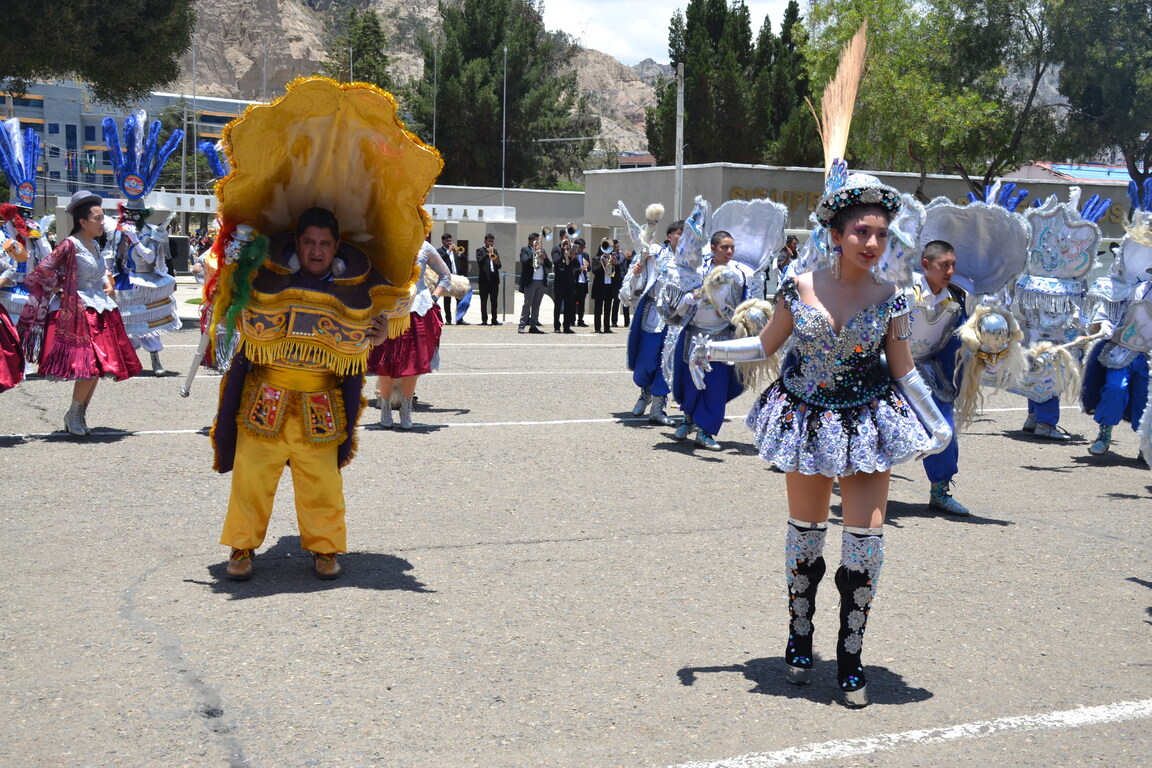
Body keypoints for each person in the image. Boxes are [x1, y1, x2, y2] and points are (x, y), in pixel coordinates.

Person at [692, 170, 950, 708]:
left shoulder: (894, 298)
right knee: (806, 541)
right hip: (806, 422)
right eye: (861, 232)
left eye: (881, 234)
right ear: (836, 234)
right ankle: (800, 636)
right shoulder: (798, 285)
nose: (872, 243)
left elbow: (903, 370)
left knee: (865, 545)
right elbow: (765, 346)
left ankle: (850, 654)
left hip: (867, 424)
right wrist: (710, 349)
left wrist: (937, 421)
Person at [216, 208, 388, 581]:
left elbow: (366, 347)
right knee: (250, 478)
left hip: (319, 405)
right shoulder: (262, 279)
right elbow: (235, 328)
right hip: (265, 399)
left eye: (324, 243)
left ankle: (325, 548)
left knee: (323, 484)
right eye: (309, 242)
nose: (316, 250)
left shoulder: (358, 291)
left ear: (337, 247)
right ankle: (241, 546)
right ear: (296, 243)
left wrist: (379, 335)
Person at [17, 191, 143, 434]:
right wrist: (62, 293)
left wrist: (106, 284)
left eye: (102, 217)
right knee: (90, 366)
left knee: (99, 366)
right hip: (80, 313)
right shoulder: (69, 245)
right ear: (83, 221)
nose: (102, 222)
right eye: (97, 218)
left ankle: (78, 414)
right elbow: (41, 273)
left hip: (101, 309)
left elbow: (100, 271)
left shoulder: (94, 244)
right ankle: (74, 414)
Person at [909, 241, 970, 516]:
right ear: (926, 265)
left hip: (928, 368)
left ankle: (940, 492)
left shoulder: (956, 297)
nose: (950, 271)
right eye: (944, 265)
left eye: (953, 265)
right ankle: (862, 489)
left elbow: (960, 337)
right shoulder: (904, 289)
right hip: (888, 366)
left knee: (944, 427)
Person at [369, 240, 451, 429]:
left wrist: (433, 298)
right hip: (389, 310)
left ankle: (406, 409)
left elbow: (445, 275)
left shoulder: (424, 247)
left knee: (412, 362)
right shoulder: (386, 241)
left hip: (418, 310)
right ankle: (385, 407)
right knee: (385, 360)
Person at [621, 220, 683, 426]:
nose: (683, 238)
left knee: (667, 363)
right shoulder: (655, 255)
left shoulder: (691, 261)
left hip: (676, 317)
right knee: (646, 361)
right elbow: (637, 285)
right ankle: (645, 392)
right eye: (680, 234)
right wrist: (637, 273)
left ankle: (657, 409)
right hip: (653, 314)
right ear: (669, 236)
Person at [518, 232, 549, 334]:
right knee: (527, 304)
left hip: (541, 281)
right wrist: (534, 253)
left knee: (536, 305)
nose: (537, 242)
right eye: (536, 240)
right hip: (530, 281)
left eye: (538, 240)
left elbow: (549, 265)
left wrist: (544, 257)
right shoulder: (525, 250)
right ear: (530, 241)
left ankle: (533, 326)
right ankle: (522, 325)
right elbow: (524, 261)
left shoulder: (542, 251)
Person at [589, 240, 619, 333]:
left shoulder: (611, 258)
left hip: (609, 286)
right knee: (598, 308)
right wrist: (602, 264)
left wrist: (615, 264)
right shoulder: (596, 258)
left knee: (608, 308)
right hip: (599, 286)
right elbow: (594, 271)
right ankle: (597, 328)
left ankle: (607, 327)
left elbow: (617, 271)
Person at [438, 233, 467, 324]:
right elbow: (440, 260)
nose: (450, 243)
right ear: (443, 241)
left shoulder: (455, 251)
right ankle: (448, 320)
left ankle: (459, 319)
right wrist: (448, 251)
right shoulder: (439, 251)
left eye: (450, 240)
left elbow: (465, 259)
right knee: (447, 300)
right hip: (447, 278)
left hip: (457, 277)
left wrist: (459, 253)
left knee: (460, 299)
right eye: (447, 241)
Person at [552, 233, 577, 333]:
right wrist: (563, 252)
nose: (567, 239)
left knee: (568, 305)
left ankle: (567, 326)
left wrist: (573, 257)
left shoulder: (572, 249)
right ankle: (556, 326)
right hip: (560, 281)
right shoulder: (556, 249)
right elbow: (556, 261)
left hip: (570, 281)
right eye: (565, 237)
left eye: (568, 237)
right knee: (558, 305)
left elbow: (577, 265)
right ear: (560, 238)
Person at [475, 233, 502, 325]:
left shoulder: (495, 251)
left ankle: (494, 319)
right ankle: (484, 320)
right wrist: (487, 254)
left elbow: (499, 265)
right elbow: (479, 261)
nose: (490, 243)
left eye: (492, 241)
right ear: (485, 241)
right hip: (484, 280)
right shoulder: (479, 250)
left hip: (494, 279)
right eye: (488, 241)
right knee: (484, 301)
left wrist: (496, 261)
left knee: (494, 301)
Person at [573, 238, 590, 327]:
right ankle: (572, 320)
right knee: (573, 302)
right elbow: (572, 269)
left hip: (583, 281)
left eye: (583, 247)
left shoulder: (585, 255)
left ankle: (580, 320)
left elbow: (589, 269)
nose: (582, 249)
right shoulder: (573, 255)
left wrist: (588, 265)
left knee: (582, 303)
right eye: (581, 247)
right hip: (575, 281)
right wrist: (580, 269)